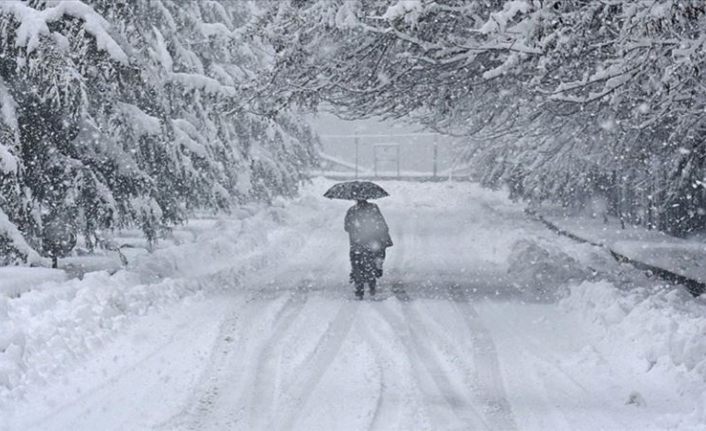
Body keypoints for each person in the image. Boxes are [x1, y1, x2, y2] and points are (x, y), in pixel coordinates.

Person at [344, 199, 392, 299]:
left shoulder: (352, 211)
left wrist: (356, 230)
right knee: (371, 263)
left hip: (357, 244)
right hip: (371, 242)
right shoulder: (373, 208)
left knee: (357, 264)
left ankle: (359, 288)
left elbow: (347, 227)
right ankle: (372, 284)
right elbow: (381, 224)